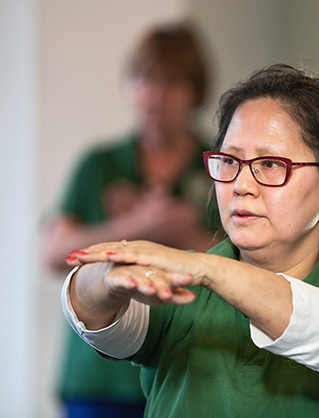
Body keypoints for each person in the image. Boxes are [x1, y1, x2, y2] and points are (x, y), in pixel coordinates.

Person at [60, 64, 319, 418]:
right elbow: (93, 315)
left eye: (271, 164)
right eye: (229, 161)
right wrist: (105, 276)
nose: (240, 185)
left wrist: (206, 266)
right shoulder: (181, 292)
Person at [42, 22, 221, 417]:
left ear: (195, 90)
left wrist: (186, 234)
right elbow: (53, 253)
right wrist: (137, 227)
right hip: (98, 376)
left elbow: (248, 260)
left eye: (171, 81)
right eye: (145, 79)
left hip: (186, 367)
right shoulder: (99, 164)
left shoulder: (219, 167)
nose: (155, 95)